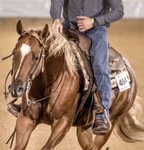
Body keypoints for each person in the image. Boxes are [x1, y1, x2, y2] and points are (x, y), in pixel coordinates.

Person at [50, 0, 124, 135]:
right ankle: (32, 99)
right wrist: (56, 19)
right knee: (47, 54)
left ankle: (102, 112)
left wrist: (94, 21)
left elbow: (119, 11)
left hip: (96, 31)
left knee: (100, 67)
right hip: (69, 26)